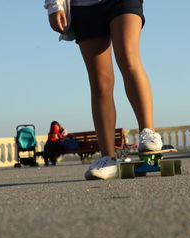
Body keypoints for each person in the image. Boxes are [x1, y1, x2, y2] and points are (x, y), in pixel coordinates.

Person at [44, 0, 163, 179]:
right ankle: (107, 157)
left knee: (128, 58)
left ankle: (148, 132)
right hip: (84, 7)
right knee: (100, 82)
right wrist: (54, 5)